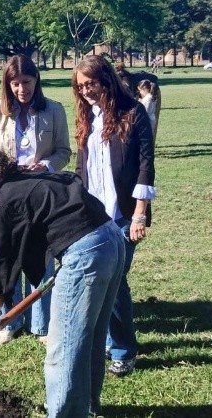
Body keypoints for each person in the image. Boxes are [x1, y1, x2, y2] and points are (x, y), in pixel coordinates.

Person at [0, 144, 124, 417]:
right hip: (110, 238)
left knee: (64, 348)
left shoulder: (5, 199)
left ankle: (65, 413)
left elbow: (4, 260)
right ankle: (88, 409)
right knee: (90, 337)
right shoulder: (29, 178)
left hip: (87, 252)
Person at [0, 54, 71, 345]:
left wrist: (46, 166)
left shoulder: (54, 110)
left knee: (39, 255)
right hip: (3, 196)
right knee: (2, 256)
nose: (22, 89)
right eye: (15, 84)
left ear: (36, 80)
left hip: (41, 196)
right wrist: (2, 169)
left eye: (27, 82)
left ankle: (42, 324)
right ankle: (6, 320)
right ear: (7, 84)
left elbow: (63, 151)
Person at [73, 55, 156, 377]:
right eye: (80, 87)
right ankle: (109, 339)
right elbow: (83, 168)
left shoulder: (133, 113)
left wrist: (139, 215)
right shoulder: (86, 117)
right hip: (93, 215)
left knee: (115, 279)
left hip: (123, 215)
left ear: (106, 79)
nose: (86, 92)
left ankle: (123, 350)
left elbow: (147, 165)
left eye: (90, 84)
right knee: (100, 278)